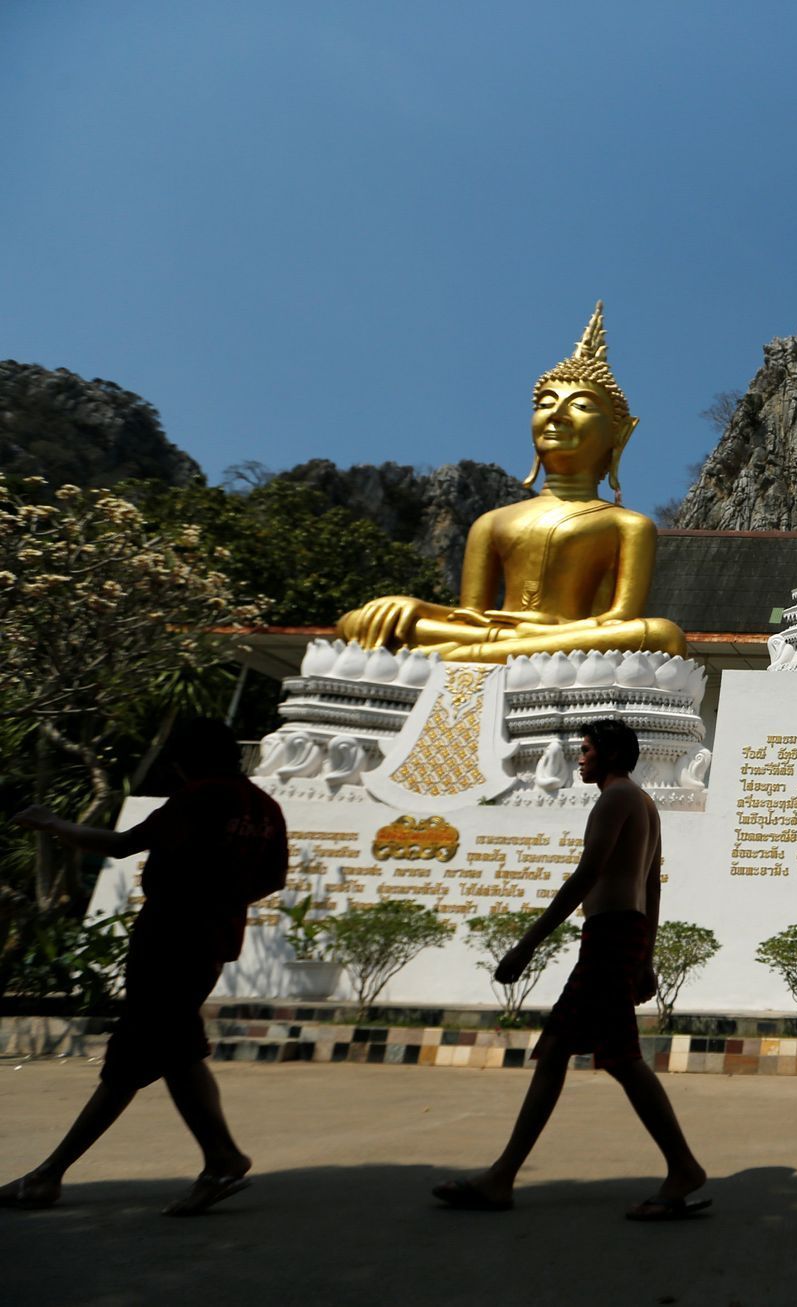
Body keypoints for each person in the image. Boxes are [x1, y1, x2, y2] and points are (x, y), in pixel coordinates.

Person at [1, 716, 287, 1216]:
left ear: (186, 761)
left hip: (170, 935)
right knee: (161, 1051)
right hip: (215, 937)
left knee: (152, 1051)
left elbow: (121, 844)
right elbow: (272, 878)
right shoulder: (265, 808)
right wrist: (224, 897)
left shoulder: (202, 795)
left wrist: (52, 824)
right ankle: (53, 1174)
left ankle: (218, 1158)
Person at [432, 719, 707, 1219]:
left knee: (619, 1058)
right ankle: (503, 1176)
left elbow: (589, 872)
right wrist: (645, 957)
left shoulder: (615, 799)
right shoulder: (645, 803)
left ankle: (682, 1166)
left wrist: (528, 943)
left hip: (610, 935)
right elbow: (653, 886)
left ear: (607, 754)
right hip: (624, 934)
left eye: (585, 751)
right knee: (564, 1049)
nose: (579, 759)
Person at [336, 301, 686, 662]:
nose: (558, 414)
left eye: (581, 406)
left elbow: (618, 621)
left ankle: (466, 656)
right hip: (511, 635)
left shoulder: (627, 525)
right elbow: (471, 614)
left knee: (659, 635)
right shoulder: (492, 522)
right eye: (547, 403)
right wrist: (417, 606)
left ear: (620, 435)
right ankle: (487, 651)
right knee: (356, 622)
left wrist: (552, 630)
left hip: (569, 638)